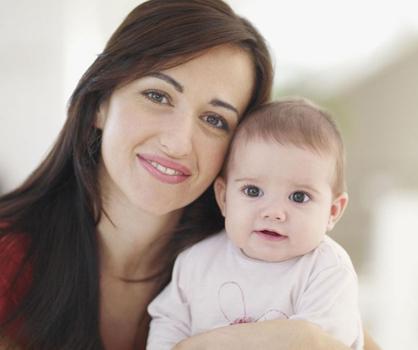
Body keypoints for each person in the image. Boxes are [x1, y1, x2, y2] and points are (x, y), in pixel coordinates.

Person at [0, 1, 381, 349]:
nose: (179, 143)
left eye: (215, 119)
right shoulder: (9, 258)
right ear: (101, 103)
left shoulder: (272, 260)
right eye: (157, 96)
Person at [146, 99, 363, 350]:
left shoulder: (326, 270)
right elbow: (170, 322)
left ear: (332, 211)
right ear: (224, 197)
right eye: (252, 191)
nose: (273, 213)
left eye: (299, 197)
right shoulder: (196, 262)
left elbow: (317, 342)